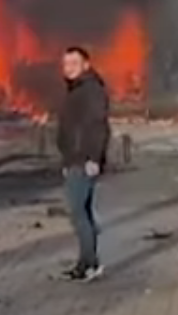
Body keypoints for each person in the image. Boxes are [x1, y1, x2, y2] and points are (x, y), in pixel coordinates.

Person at [56, 45, 110, 281]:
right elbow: (70, 129)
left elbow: (98, 126)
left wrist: (93, 158)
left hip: (84, 159)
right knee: (82, 211)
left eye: (74, 64)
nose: (69, 69)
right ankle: (89, 261)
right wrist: (67, 159)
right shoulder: (77, 89)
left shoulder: (91, 90)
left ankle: (88, 264)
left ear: (86, 65)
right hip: (75, 159)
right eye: (66, 64)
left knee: (77, 212)